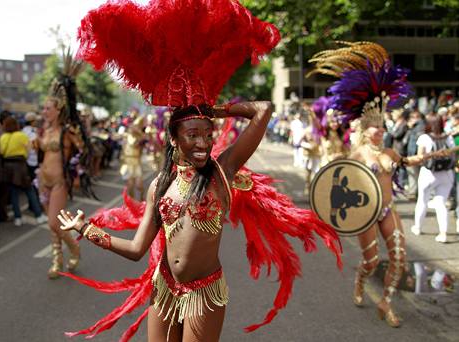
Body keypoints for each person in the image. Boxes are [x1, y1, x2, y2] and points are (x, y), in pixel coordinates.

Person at [56, 1, 342, 341]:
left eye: (209, 134)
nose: (204, 142)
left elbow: (262, 110)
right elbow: (136, 250)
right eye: (193, 135)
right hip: (163, 288)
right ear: (174, 140)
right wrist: (87, 229)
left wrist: (214, 109)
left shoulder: (222, 172)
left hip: (203, 295)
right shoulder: (160, 185)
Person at [309, 41, 421, 327]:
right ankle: (360, 281)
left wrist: (425, 156)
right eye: (376, 127)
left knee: (398, 255)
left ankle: (386, 302)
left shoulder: (390, 152)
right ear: (364, 128)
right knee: (372, 262)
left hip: (388, 208)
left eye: (383, 127)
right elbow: (339, 181)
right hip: (365, 214)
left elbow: (405, 162)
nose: (380, 131)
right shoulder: (356, 155)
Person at [34, 49, 91, 279]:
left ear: (58, 110)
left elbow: (84, 150)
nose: (44, 111)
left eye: (48, 108)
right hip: (43, 181)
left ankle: (74, 248)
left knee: (53, 223)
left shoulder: (67, 131)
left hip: (59, 182)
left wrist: (76, 170)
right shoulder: (43, 130)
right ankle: (57, 260)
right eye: (44, 108)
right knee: (53, 224)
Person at [411, 115, 455, 243]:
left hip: (428, 173)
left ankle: (418, 227)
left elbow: (420, 157)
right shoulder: (449, 137)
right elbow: (452, 154)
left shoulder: (424, 138)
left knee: (422, 200)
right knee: (441, 203)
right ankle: (443, 233)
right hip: (446, 174)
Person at [0, 116, 46, 226]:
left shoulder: (3, 137)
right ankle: (39, 215)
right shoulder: (22, 136)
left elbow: (1, 151)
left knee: (14, 193)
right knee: (30, 191)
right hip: (21, 167)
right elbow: (29, 150)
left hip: (7, 167)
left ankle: (17, 218)